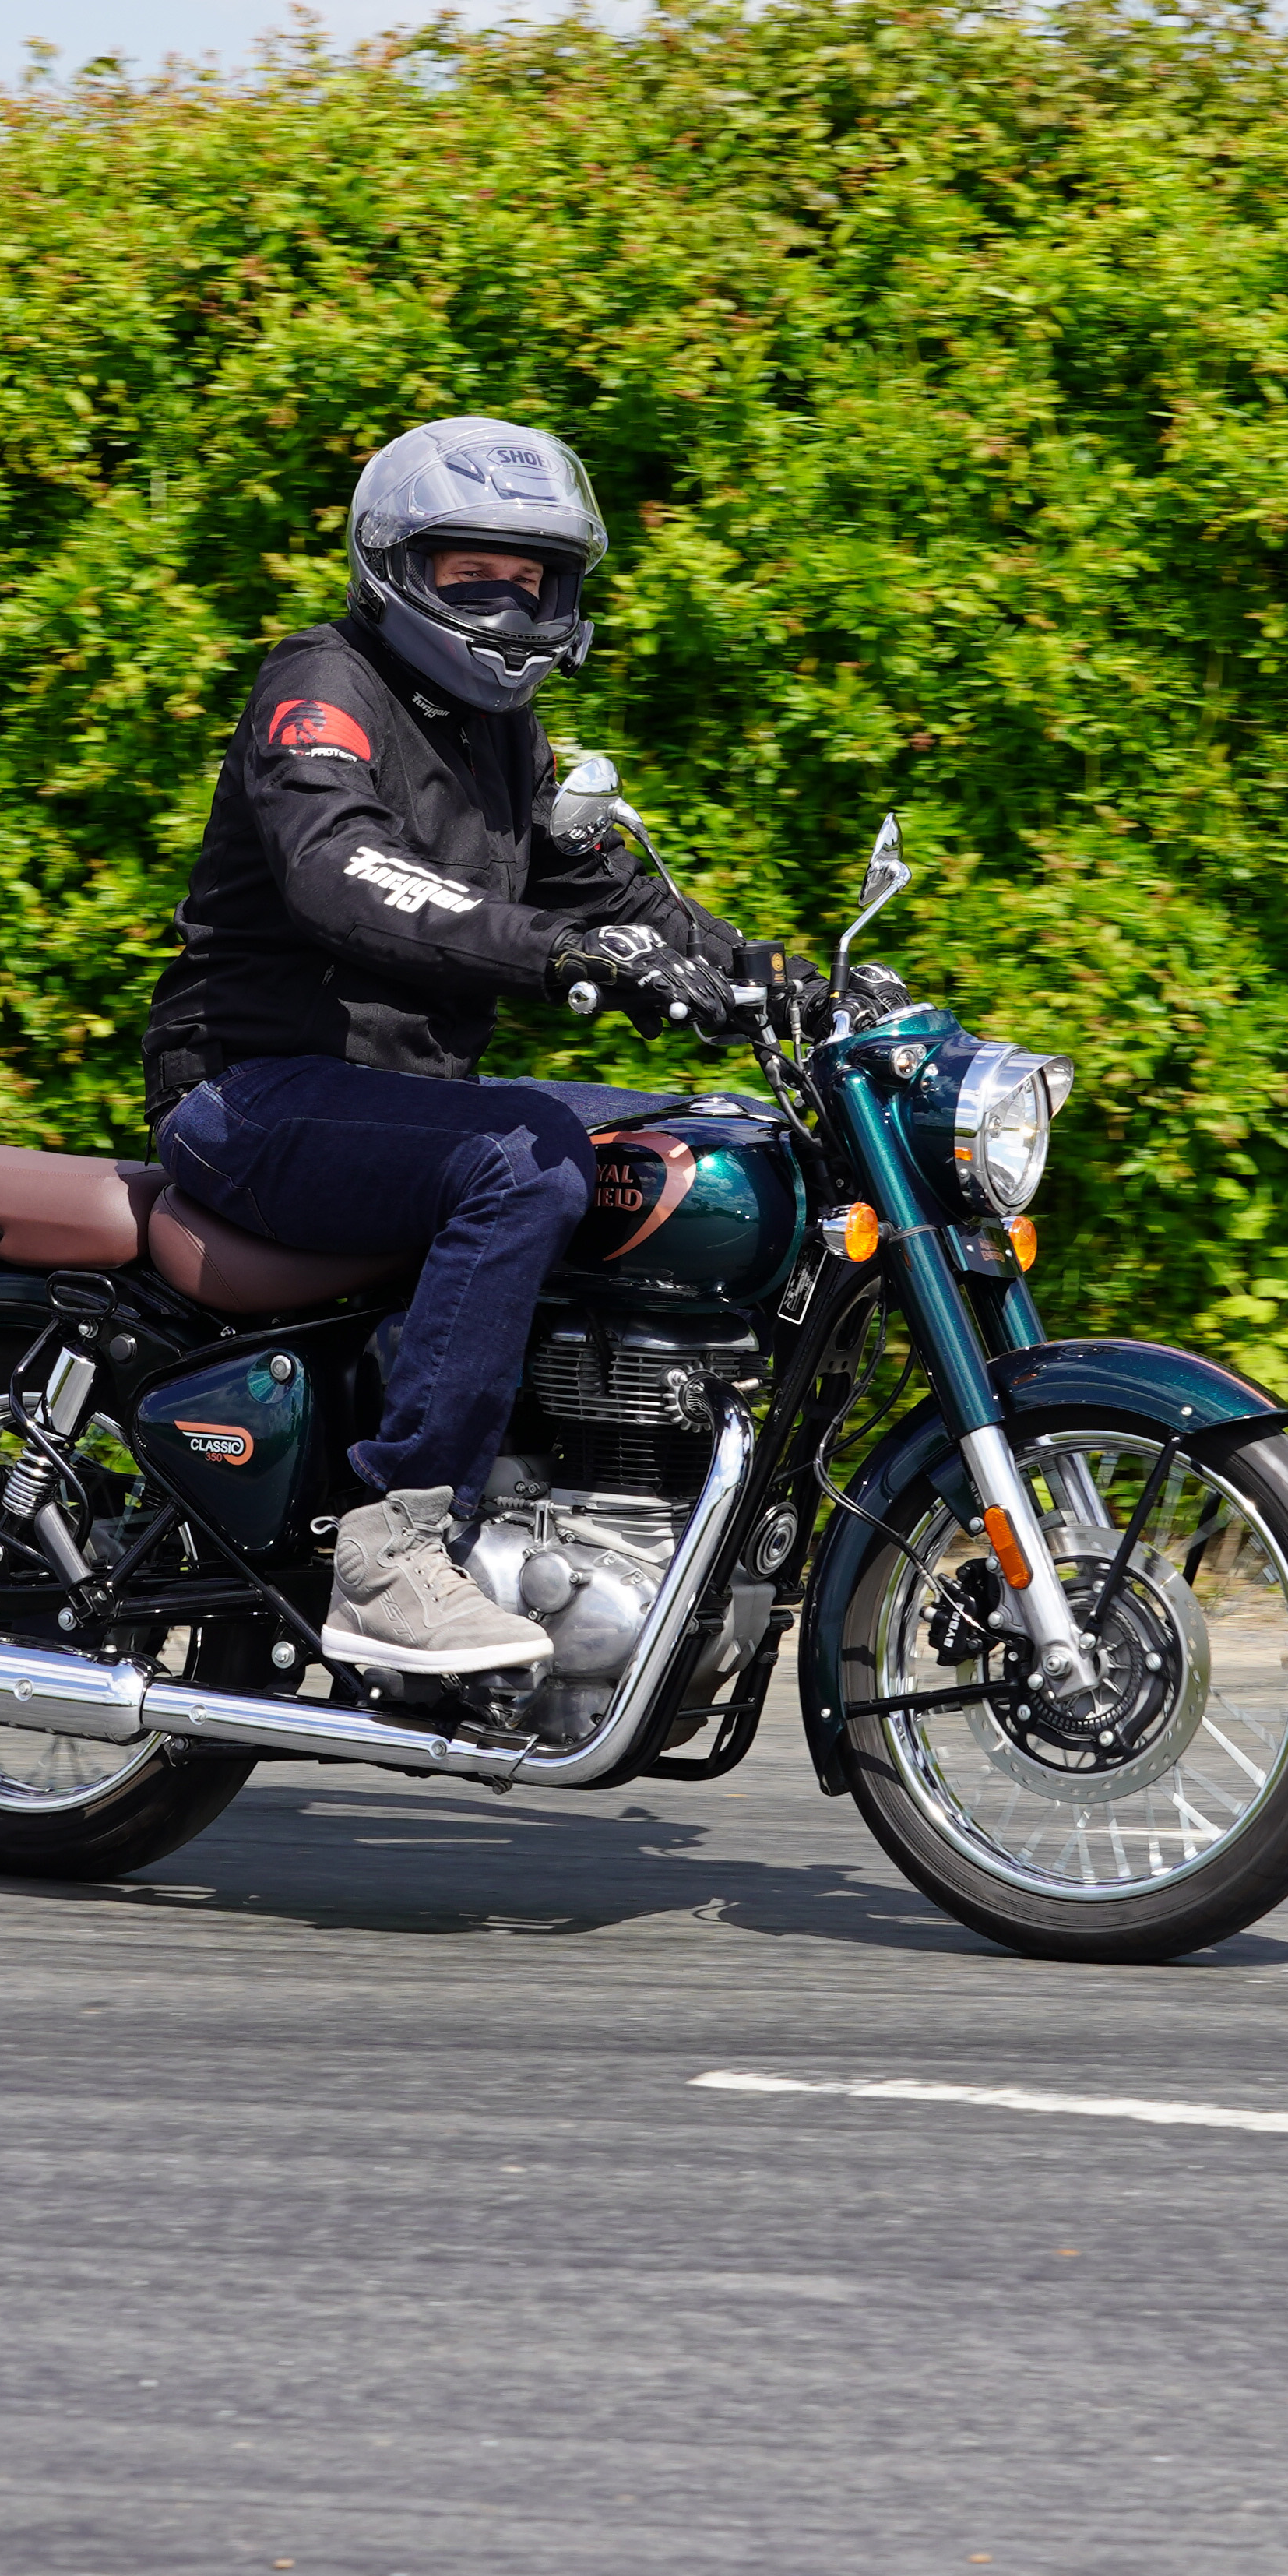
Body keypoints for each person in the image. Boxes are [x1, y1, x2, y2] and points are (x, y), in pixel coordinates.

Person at [142, 416, 765, 1678]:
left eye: (532, 579)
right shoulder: (321, 689)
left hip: (402, 1100)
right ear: (393, 567)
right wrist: (553, 955)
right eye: (470, 574)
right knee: (525, 1158)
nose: (508, 604)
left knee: (706, 1139)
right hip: (250, 1090)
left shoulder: (506, 739)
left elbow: (621, 901)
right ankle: (395, 1552)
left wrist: (784, 984)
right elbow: (342, 872)